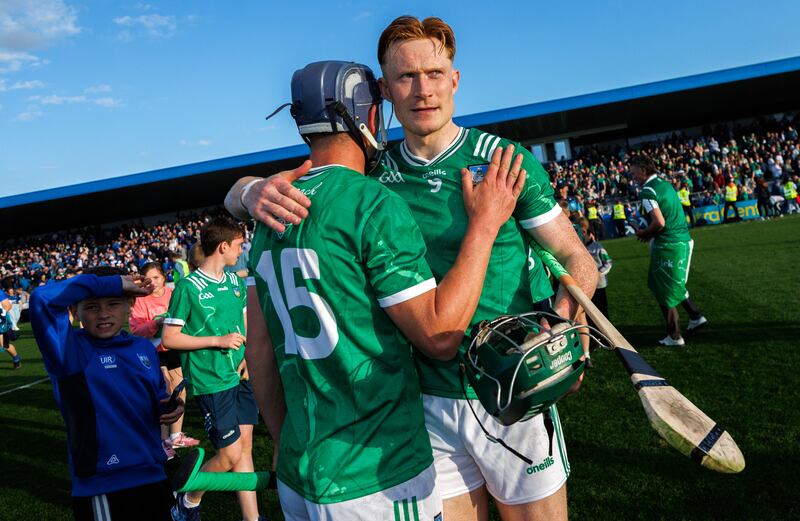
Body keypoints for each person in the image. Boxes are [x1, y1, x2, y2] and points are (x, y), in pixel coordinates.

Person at [227, 16, 597, 521]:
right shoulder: (372, 175)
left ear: (454, 79)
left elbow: (577, 260)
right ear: (383, 91)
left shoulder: (505, 163)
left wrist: (565, 324)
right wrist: (249, 190)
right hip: (425, 403)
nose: (423, 90)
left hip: (510, 393)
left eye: (434, 73)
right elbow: (253, 191)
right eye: (406, 77)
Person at [248, 60, 522, 520]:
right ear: (366, 117)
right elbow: (438, 337)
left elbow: (259, 353)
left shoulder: (267, 215)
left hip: (301, 466)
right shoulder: (371, 200)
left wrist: (283, 443)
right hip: (376, 469)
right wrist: (484, 226)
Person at [29, 267, 185, 521]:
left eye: (113, 303)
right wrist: (114, 283)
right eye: (91, 307)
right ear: (74, 310)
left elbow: (156, 399)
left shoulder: (143, 348)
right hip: (104, 484)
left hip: (153, 474)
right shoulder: (66, 350)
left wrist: (169, 406)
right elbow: (41, 299)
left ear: (130, 304)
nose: (103, 314)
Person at [162, 217, 261, 521]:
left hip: (241, 376)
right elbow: (170, 338)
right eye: (237, 245)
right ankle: (188, 498)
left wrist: (248, 356)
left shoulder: (235, 282)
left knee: (245, 451)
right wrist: (217, 340)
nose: (240, 250)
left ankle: (252, 518)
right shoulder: (187, 287)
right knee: (229, 455)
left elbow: (243, 324)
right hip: (212, 380)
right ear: (223, 246)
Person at [631, 154, 707, 346]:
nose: (632, 176)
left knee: (665, 289)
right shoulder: (664, 184)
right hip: (680, 241)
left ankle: (674, 336)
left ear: (642, 169)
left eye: (633, 172)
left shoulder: (647, 191)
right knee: (672, 284)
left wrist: (645, 233)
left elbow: (659, 222)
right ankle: (696, 316)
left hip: (670, 245)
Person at [129, 262, 199, 450]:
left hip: (174, 347)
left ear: (164, 277)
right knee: (164, 390)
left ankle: (175, 437)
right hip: (152, 352)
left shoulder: (173, 294)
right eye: (148, 279)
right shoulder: (140, 300)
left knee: (179, 389)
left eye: (157, 278)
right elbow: (136, 330)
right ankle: (162, 440)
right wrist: (156, 322)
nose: (153, 282)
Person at [0, 287, 21, 369]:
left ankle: (16, 358)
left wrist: (2, 314)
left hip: (1, 322)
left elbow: (8, 306)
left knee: (4, 345)